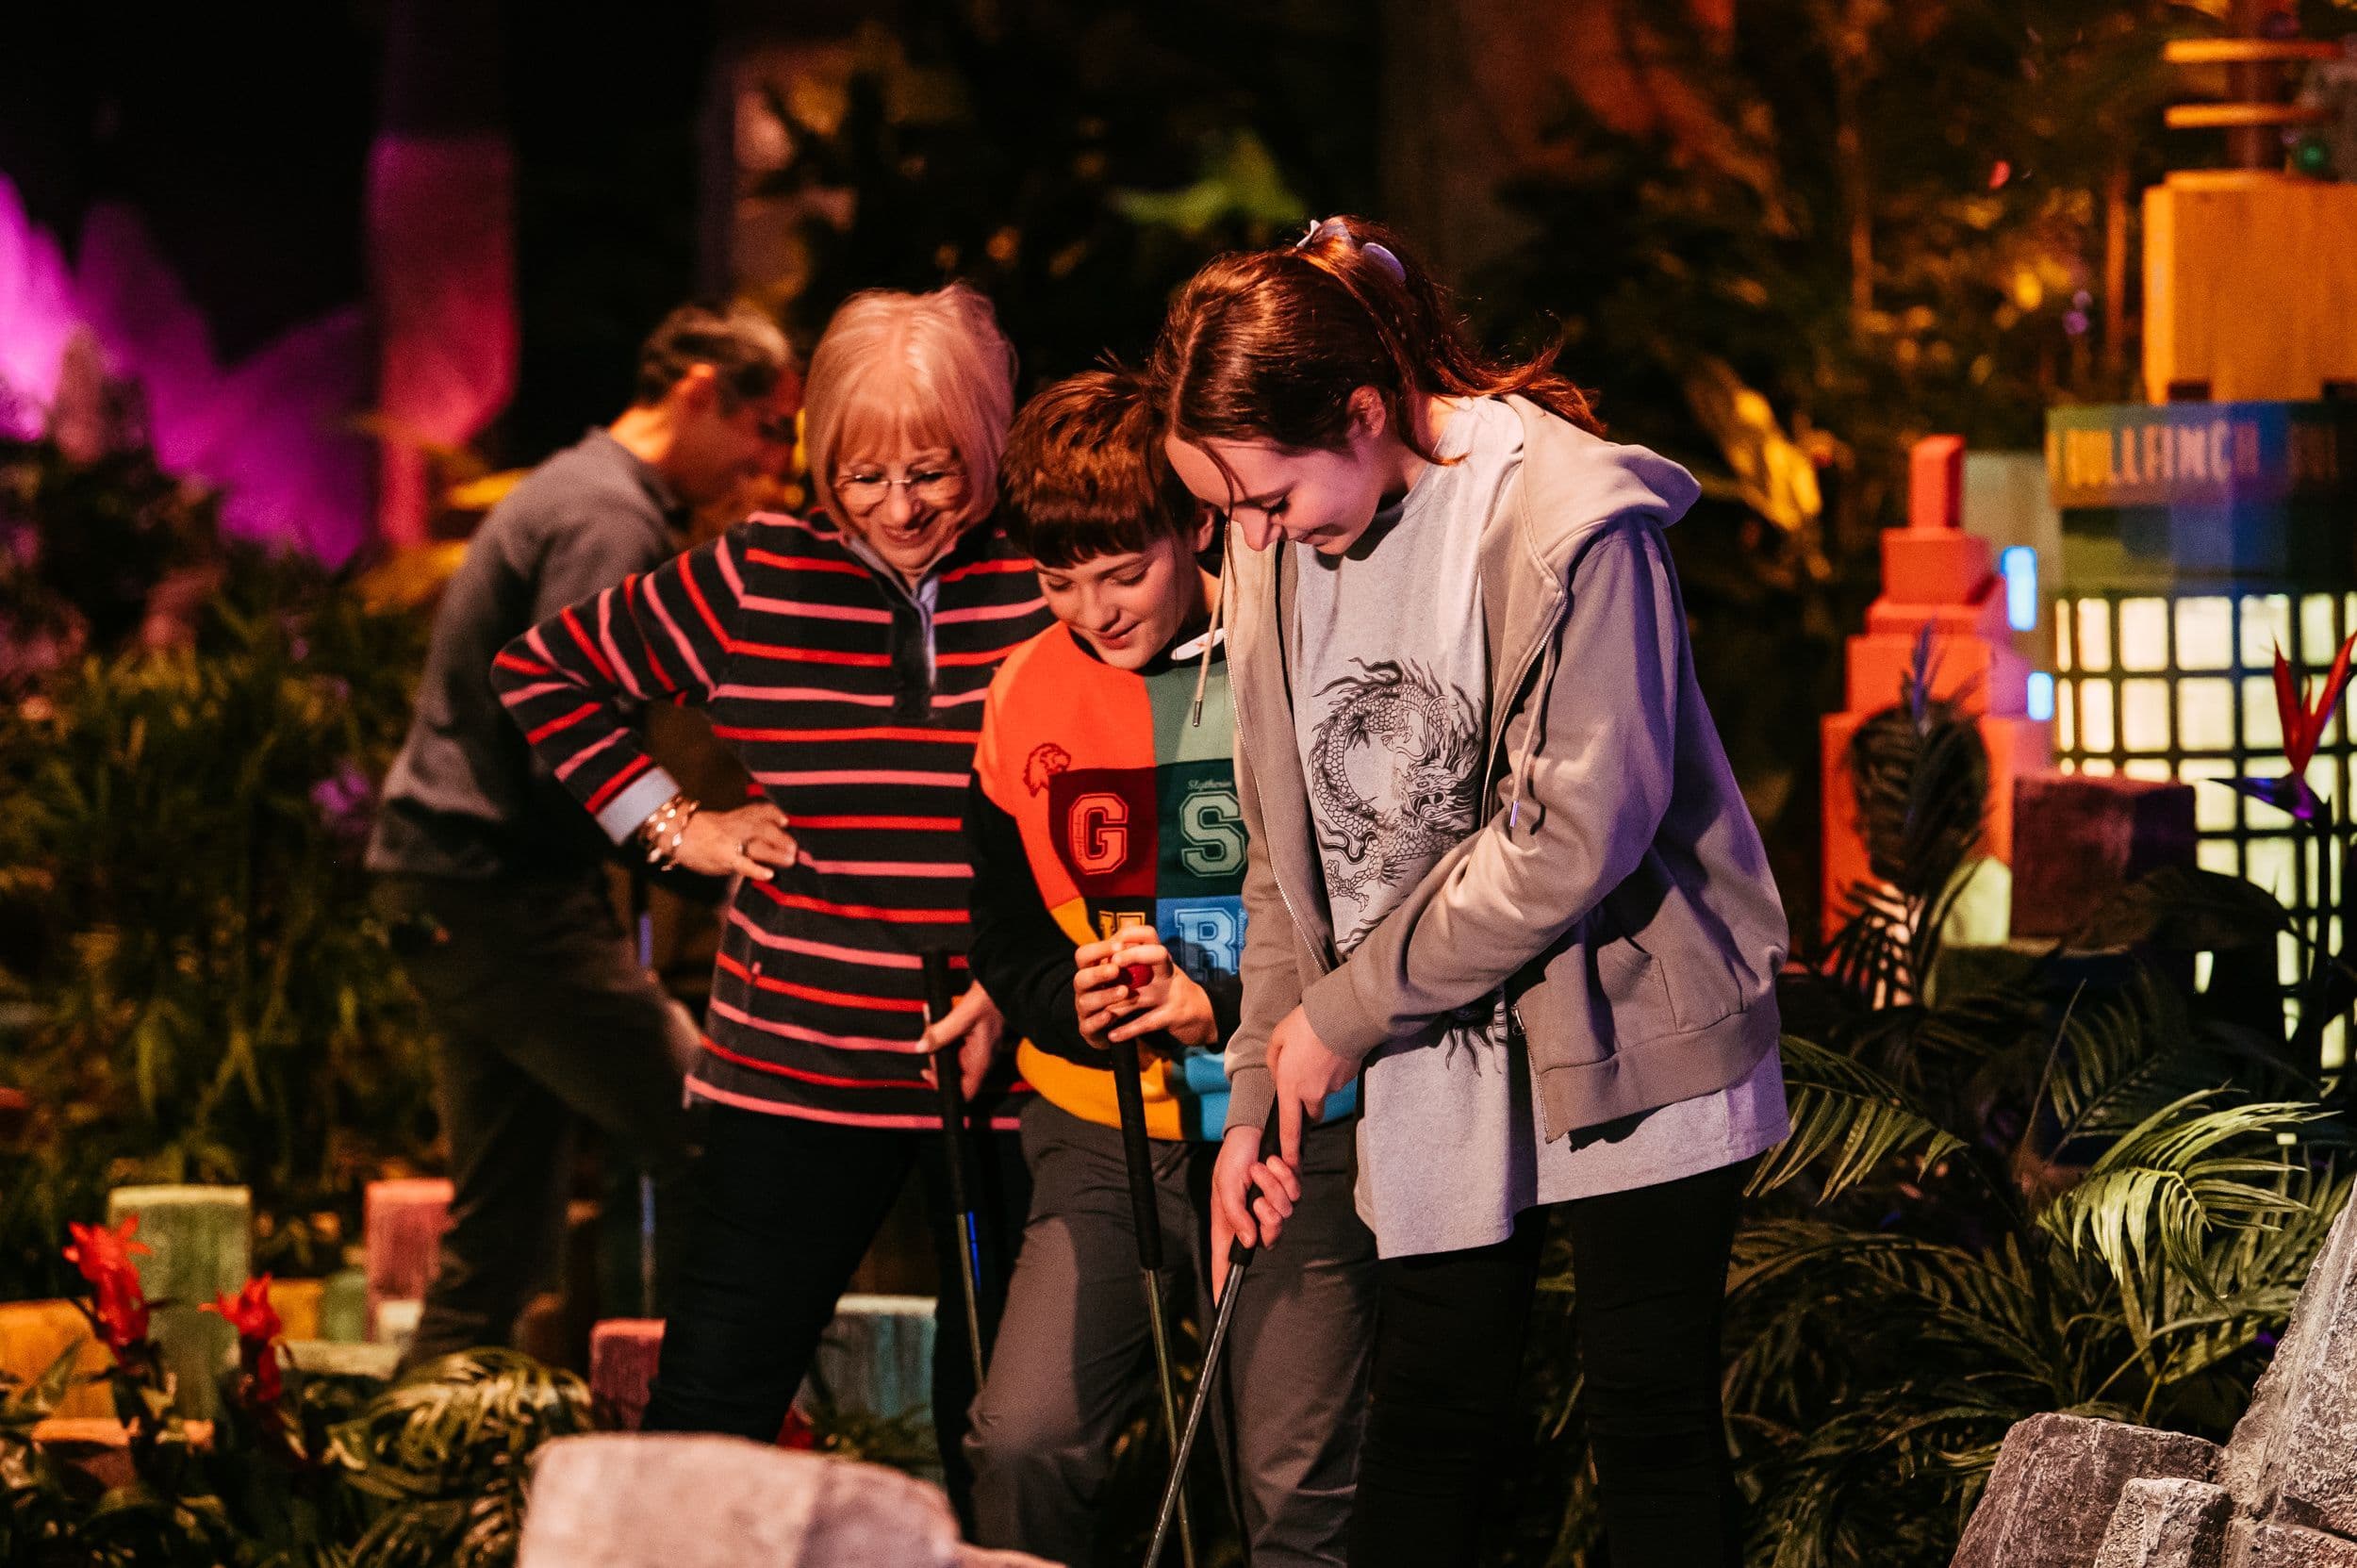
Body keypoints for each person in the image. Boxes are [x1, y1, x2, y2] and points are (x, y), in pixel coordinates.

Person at [1152, 217, 1791, 1568]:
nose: (1246, 538)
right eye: (1225, 510)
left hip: (1627, 1018)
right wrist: (1260, 1091)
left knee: (1649, 1420)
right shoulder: (1271, 553)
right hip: (1430, 1043)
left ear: (1365, 411)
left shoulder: (1570, 522)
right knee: (1433, 1411)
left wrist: (1344, 1012)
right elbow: (1288, 852)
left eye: (1265, 500)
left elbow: (1576, 831)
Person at [490, 283, 1049, 1519]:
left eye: (935, 471)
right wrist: (678, 828)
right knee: (714, 1401)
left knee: (1002, 1425)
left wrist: (1035, 982)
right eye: (862, 476)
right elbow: (542, 671)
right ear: (816, 461)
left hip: (1009, 1074)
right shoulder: (757, 576)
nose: (899, 509)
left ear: (988, 445)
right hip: (793, 1065)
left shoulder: (1044, 579)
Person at [961, 370, 1376, 1567]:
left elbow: (1371, 893)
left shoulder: (1291, 645)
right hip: (1106, 1124)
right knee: (1028, 1436)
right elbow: (1008, 928)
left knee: (1291, 1483)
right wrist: (1068, 1002)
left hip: (1300, 1117)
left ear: (1194, 522)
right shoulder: (1025, 690)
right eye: (1056, 579)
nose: (1091, 609)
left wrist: (1229, 1004)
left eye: (1120, 570)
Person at [367, 302, 799, 1370]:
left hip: (447, 885)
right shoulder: (611, 518)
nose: (770, 458)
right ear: (700, 390)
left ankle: (404, 1493)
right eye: (765, 427)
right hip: (501, 895)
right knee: (717, 1134)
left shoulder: (577, 490)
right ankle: (715, 1428)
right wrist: (699, 858)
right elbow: (567, 747)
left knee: (502, 1232)